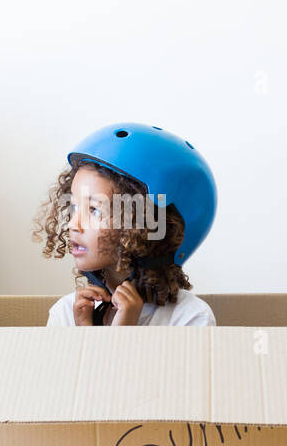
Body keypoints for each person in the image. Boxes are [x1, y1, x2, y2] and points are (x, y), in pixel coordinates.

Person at [33, 123, 217, 327]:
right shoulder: (68, 314)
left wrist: (125, 333)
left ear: (148, 224)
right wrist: (84, 334)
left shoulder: (190, 318)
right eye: (74, 207)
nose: (73, 224)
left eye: (94, 210)